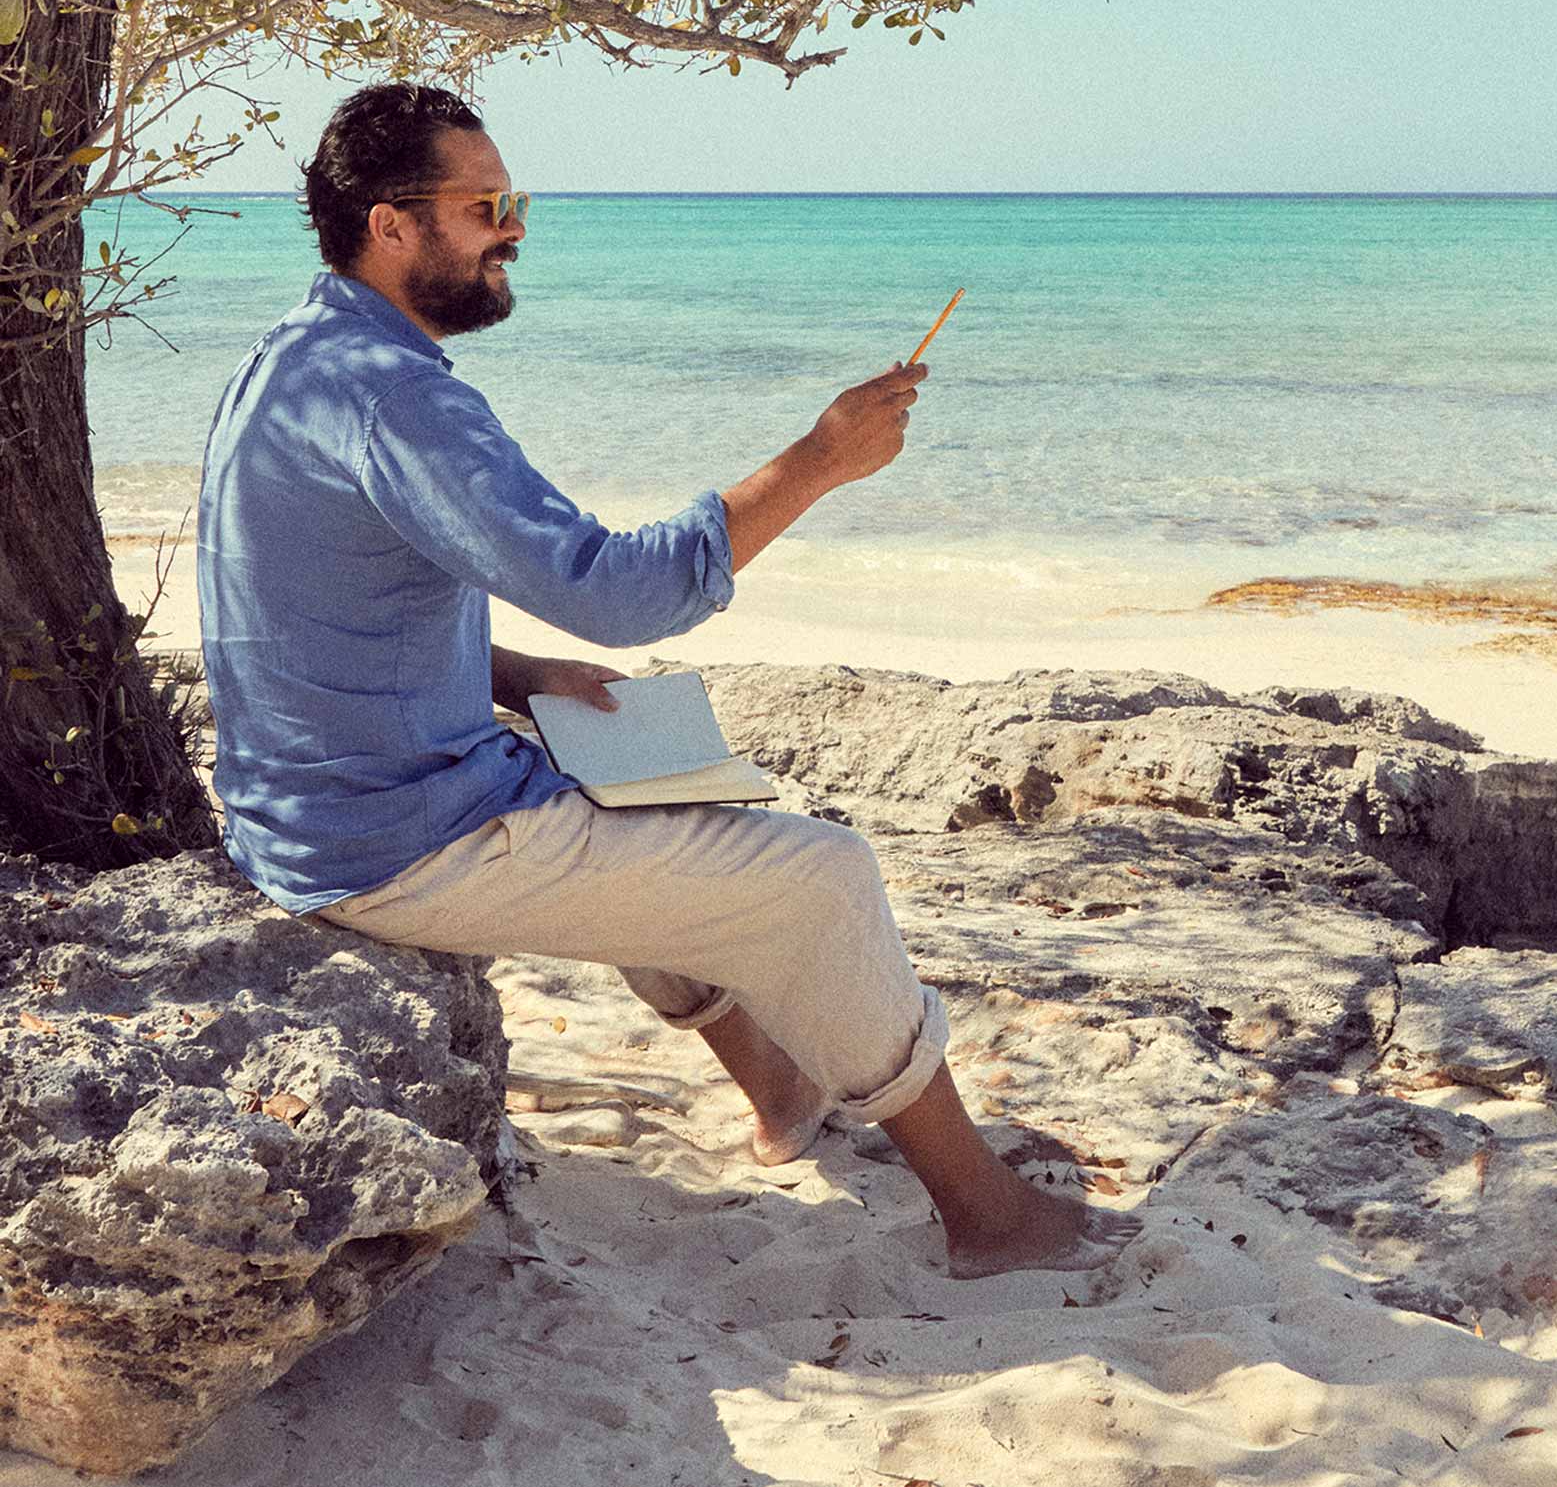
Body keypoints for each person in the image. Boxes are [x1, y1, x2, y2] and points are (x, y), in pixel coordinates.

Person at [197, 81, 1137, 1280]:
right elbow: (619, 590)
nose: (514, 227)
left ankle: (786, 1095)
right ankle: (985, 1214)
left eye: (512, 199)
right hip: (388, 835)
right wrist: (818, 460)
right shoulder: (397, 395)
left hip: (321, 804)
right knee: (822, 876)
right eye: (487, 204)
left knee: (633, 779)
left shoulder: (295, 358)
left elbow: (308, 594)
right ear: (392, 225)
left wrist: (515, 669)